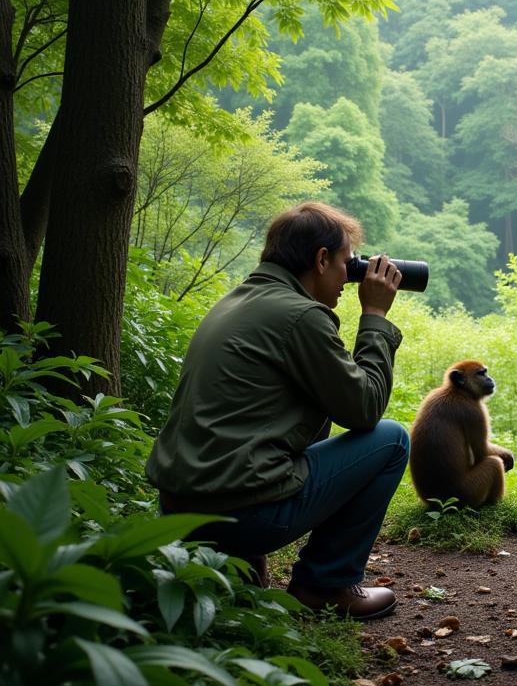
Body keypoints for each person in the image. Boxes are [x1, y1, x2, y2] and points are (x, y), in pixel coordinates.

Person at [146, 201, 408, 620]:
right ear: (321, 260)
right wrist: (374, 315)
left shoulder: (237, 301)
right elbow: (364, 409)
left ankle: (241, 565)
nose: (349, 276)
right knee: (392, 439)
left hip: (180, 510)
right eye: (347, 263)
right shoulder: (300, 315)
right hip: (240, 515)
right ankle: (326, 584)